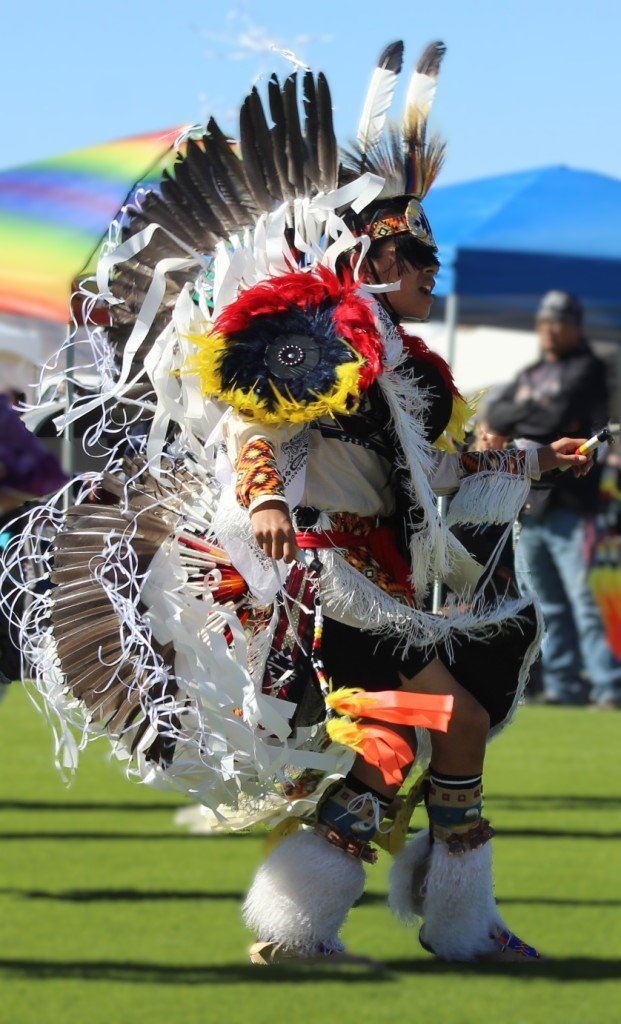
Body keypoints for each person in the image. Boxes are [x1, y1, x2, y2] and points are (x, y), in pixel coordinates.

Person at [0, 42, 593, 967]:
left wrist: (530, 460)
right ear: (373, 249)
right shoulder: (312, 341)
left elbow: (433, 481)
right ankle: (447, 923)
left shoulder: (403, 366)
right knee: (449, 725)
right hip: (332, 579)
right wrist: (266, 498)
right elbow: (254, 427)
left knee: (398, 747)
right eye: (417, 250)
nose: (432, 267)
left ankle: (324, 925)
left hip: (386, 576)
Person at [487, 291, 621, 708]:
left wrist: (526, 413)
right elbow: (500, 414)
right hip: (532, 503)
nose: (549, 328)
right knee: (545, 604)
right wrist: (528, 410)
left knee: (586, 600)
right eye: (544, 320)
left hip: (575, 505)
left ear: (575, 326)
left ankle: (608, 687)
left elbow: (551, 416)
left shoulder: (588, 369)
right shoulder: (533, 372)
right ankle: (562, 685)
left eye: (558, 321)